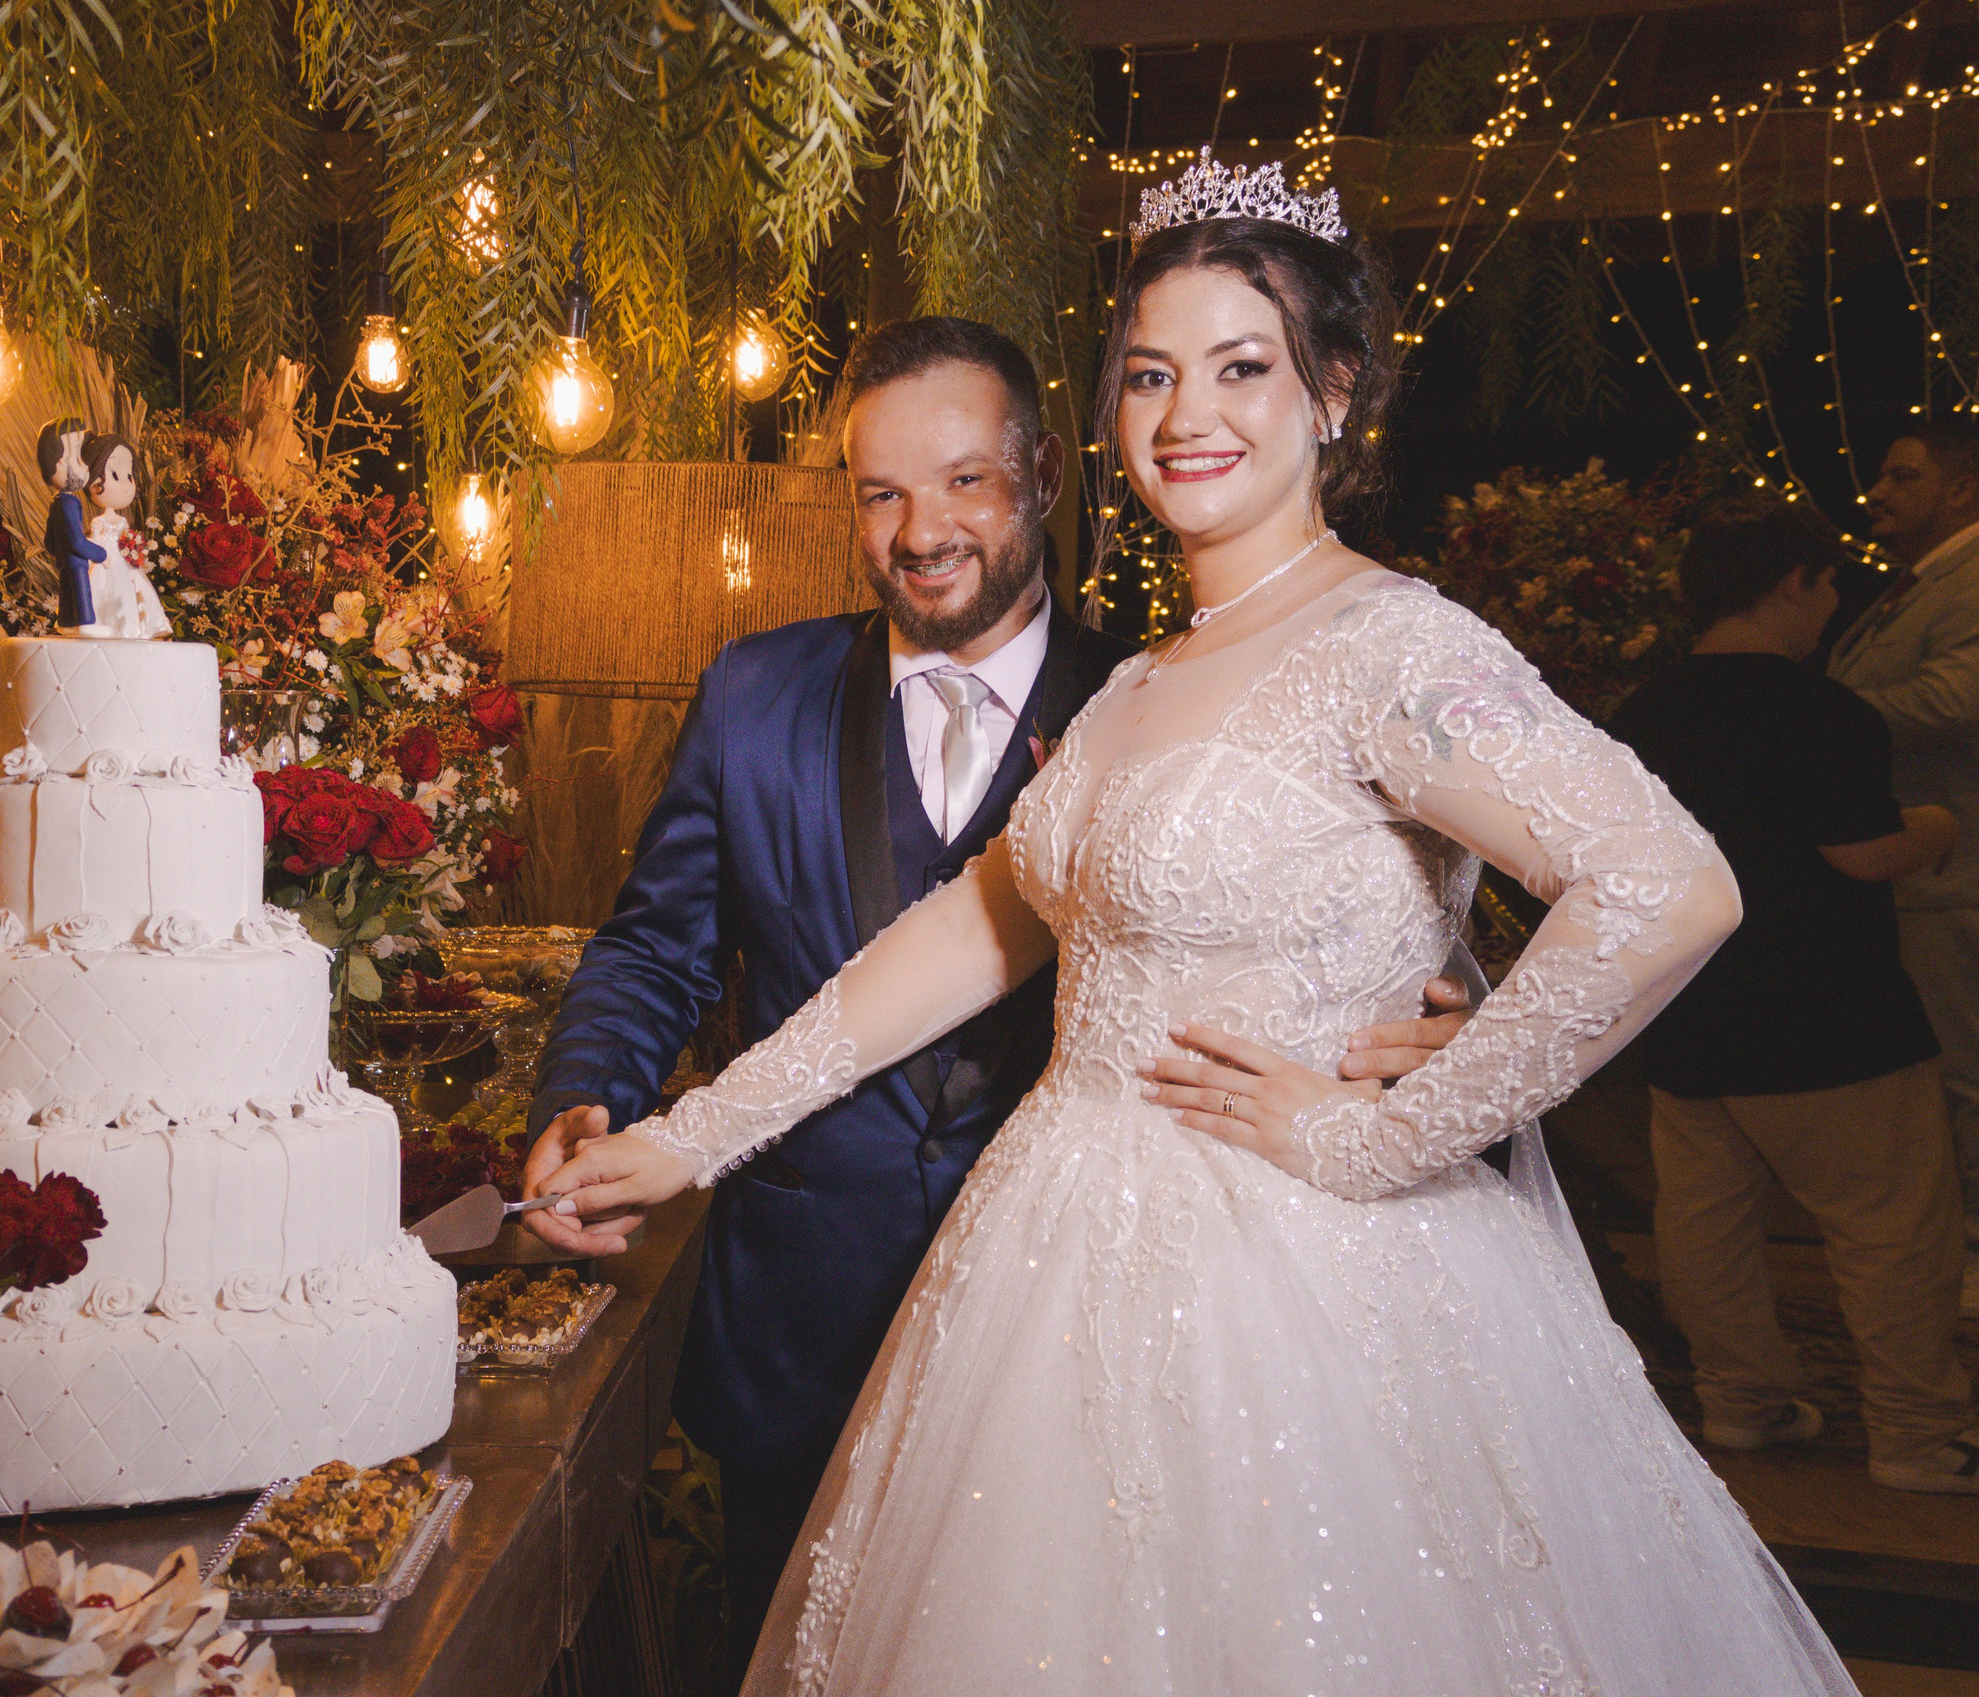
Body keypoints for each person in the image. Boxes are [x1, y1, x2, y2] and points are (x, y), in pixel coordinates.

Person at [532, 152, 1858, 1695]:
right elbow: (972, 935)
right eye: (1152, 374)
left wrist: (1396, 1130)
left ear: (1334, 393)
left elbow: (1669, 883)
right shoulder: (1147, 680)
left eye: (1243, 367)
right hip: (1054, 1271)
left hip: (1295, 1296)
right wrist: (689, 1137)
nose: (1185, 417)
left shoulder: (1388, 644)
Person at [519, 315, 1476, 1679]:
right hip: (805, 1309)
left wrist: (1434, 1040)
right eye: (882, 493)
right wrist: (589, 1090)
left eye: (965, 480)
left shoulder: (1162, 701)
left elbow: (1380, 918)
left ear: (1041, 479)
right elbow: (656, 947)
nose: (923, 532)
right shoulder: (755, 694)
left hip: (1091, 1338)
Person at [1611, 497, 1973, 1495]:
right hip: (1829, 1016)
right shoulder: (1823, 710)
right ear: (1792, 583)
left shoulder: (1642, 711)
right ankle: (1917, 1434)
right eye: (1826, 582)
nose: (1830, 603)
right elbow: (1864, 853)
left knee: (1707, 1225)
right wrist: (1940, 826)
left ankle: (1740, 1401)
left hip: (1690, 1011)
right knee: (1890, 1229)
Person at [1830, 420, 1979, 1247]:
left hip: (1953, 872)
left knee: (1963, 1076)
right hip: (1916, 875)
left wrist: (1812, 719)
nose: (1876, 493)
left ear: (1962, 489)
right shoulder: (1916, 583)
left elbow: (1953, 700)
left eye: (1901, 476)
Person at [80, 434, 172, 640]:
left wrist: (133, 549)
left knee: (130, 593)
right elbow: (94, 543)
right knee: (102, 592)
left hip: (124, 563)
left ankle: (133, 627)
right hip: (103, 564)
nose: (125, 484)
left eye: (129, 476)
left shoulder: (122, 522)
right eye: (114, 475)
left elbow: (126, 538)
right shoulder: (99, 522)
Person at [37, 415, 110, 637]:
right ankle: (86, 621)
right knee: (80, 589)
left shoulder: (57, 502)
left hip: (64, 559)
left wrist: (59, 552)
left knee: (67, 591)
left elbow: (49, 540)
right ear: (60, 462)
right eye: (77, 458)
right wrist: (100, 554)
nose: (85, 466)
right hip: (76, 560)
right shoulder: (68, 503)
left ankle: (66, 621)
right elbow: (77, 541)